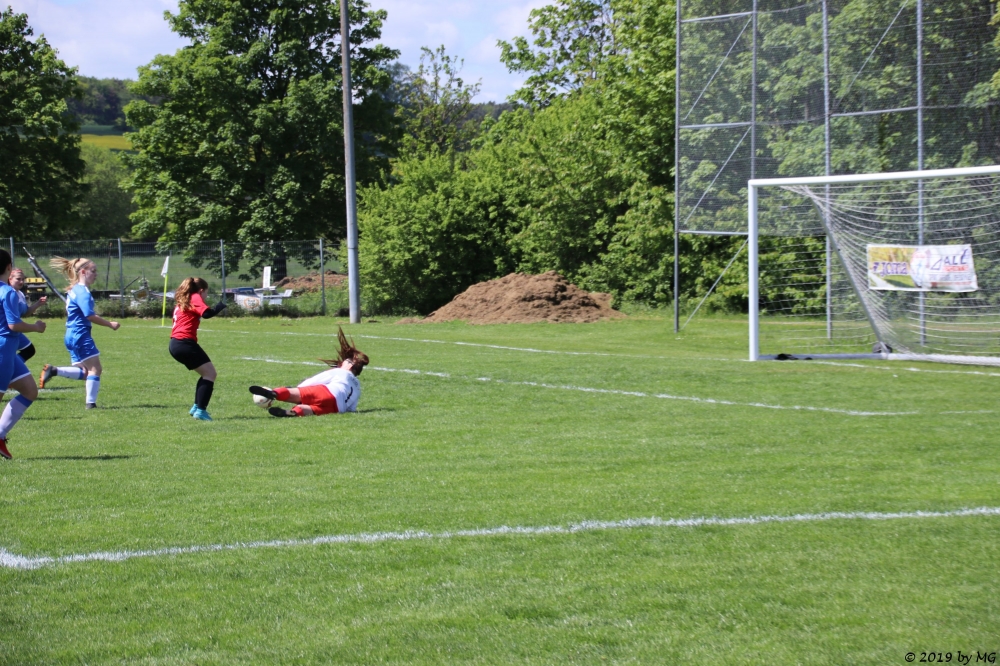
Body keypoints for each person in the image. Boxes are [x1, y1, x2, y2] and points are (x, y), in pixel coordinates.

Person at [38, 257, 120, 409]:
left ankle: (54, 370)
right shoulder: (83, 292)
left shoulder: (74, 289)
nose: (96, 274)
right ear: (83, 272)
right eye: (93, 271)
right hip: (80, 334)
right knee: (95, 369)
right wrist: (110, 324)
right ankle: (91, 404)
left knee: (85, 372)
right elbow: (89, 315)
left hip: (71, 334)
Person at [249, 327, 369, 417]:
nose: (342, 363)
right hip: (337, 408)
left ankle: (274, 394)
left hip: (327, 392)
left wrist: (298, 389)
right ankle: (294, 412)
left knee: (294, 393)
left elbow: (315, 380)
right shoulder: (357, 387)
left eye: (345, 362)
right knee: (312, 410)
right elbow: (351, 409)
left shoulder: (340, 372)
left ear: (350, 365)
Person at [0, 251, 46, 459]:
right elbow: (14, 324)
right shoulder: (7, 292)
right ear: (9, 268)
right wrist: (36, 327)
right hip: (3, 349)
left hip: (9, 350)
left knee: (29, 390)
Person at [169, 277, 226, 421]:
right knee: (210, 374)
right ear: (201, 291)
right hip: (184, 343)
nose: (205, 296)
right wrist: (220, 306)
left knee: (206, 373)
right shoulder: (194, 296)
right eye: (206, 292)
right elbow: (206, 314)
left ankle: (196, 407)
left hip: (176, 343)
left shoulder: (183, 300)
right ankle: (200, 411)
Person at [8, 267, 47, 363]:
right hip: (6, 331)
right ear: (10, 279)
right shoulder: (8, 294)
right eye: (18, 279)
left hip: (14, 331)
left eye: (23, 279)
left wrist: (38, 304)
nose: (21, 282)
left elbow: (25, 313)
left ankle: (13, 367)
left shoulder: (20, 294)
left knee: (29, 350)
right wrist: (36, 327)